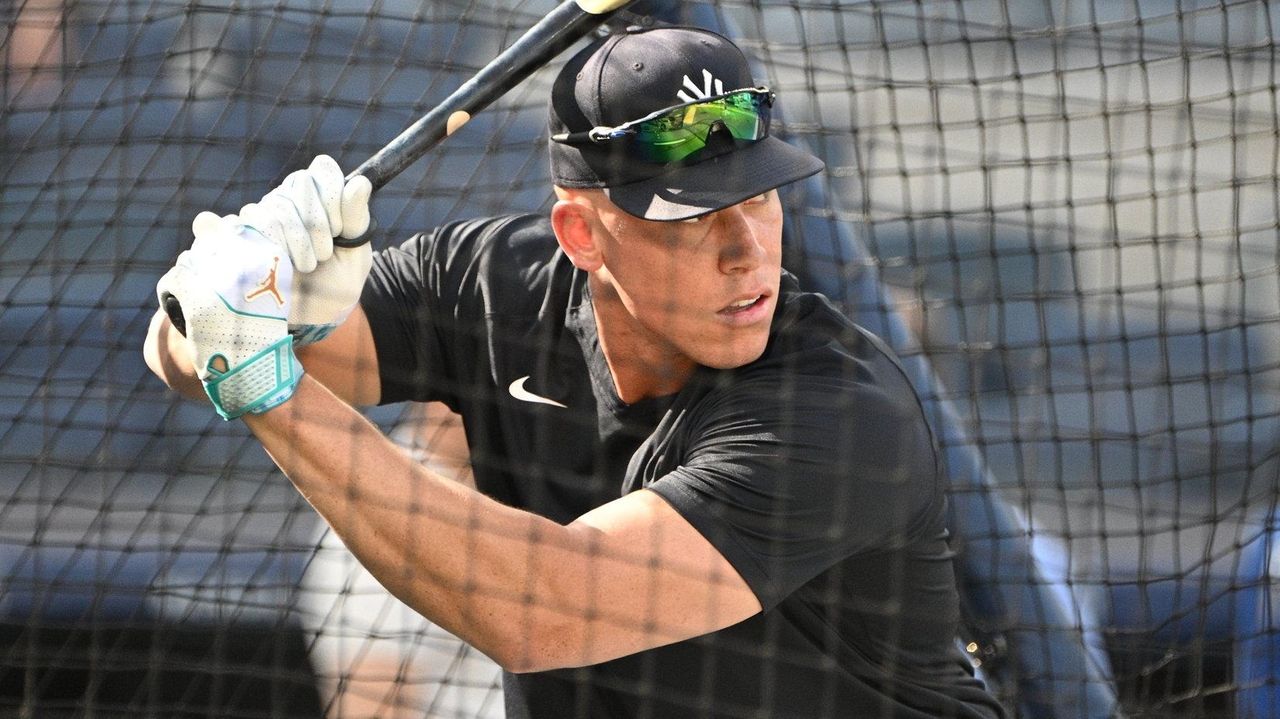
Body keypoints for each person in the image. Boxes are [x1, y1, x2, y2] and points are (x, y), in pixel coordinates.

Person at [144, 25, 1007, 718]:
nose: (749, 254)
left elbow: (548, 608)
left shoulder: (836, 407)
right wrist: (231, 295)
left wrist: (262, 380)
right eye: (693, 216)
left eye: (760, 198)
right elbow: (181, 353)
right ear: (582, 235)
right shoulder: (489, 281)